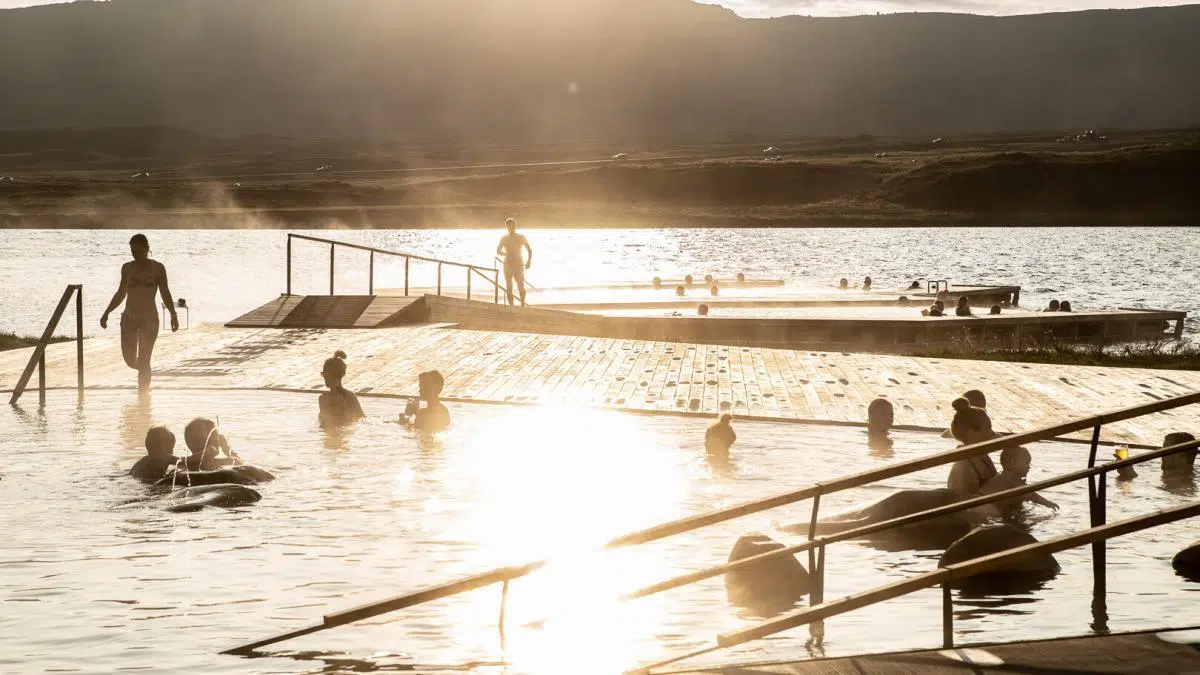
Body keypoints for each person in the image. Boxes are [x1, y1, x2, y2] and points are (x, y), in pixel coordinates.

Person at [100, 234, 179, 391]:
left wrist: (173, 314)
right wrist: (107, 312)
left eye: (139, 251)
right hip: (129, 318)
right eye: (133, 251)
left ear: (147, 249)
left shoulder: (157, 268)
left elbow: (165, 293)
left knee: (144, 358)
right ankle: (145, 370)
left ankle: (143, 398)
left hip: (149, 319)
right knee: (129, 360)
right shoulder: (127, 268)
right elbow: (121, 293)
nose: (136, 255)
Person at [976, 446, 1059, 515]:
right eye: (1027, 463)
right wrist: (1047, 503)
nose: (1029, 467)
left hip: (978, 501)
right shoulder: (1012, 479)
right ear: (1012, 462)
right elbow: (1030, 494)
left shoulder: (1001, 477)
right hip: (986, 507)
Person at [946, 398, 1000, 498]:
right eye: (988, 428)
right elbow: (965, 502)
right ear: (973, 432)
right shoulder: (964, 465)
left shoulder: (982, 456)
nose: (992, 433)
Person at [319, 351, 365, 428]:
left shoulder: (323, 399)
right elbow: (361, 418)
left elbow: (323, 424)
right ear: (342, 374)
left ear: (326, 375)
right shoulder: (350, 395)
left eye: (324, 375)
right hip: (347, 432)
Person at [496, 218, 533, 306]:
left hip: (518, 263)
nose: (510, 228)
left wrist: (528, 261)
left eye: (512, 226)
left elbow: (529, 250)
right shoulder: (504, 238)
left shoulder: (521, 237)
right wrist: (506, 254)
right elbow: (498, 251)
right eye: (509, 226)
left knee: (520, 284)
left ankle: (522, 304)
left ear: (515, 226)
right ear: (506, 227)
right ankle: (511, 306)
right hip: (508, 264)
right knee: (509, 286)